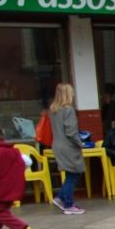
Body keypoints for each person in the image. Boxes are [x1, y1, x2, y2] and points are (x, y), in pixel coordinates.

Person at [50, 82, 86, 215]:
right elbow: (71, 132)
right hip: (68, 146)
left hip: (57, 145)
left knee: (70, 174)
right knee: (75, 173)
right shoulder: (68, 110)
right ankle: (68, 203)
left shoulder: (53, 110)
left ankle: (61, 197)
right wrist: (80, 143)